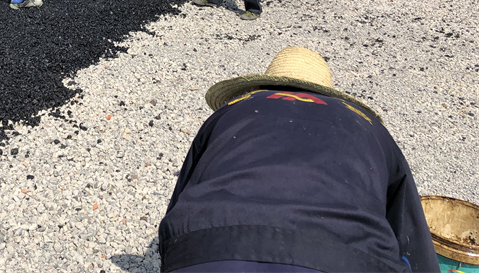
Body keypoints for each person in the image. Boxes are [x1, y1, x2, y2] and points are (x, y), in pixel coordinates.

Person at [159, 46, 440, 273]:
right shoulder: (368, 126)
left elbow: (183, 195)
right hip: (347, 255)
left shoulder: (232, 110)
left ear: (261, 87)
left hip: (207, 247)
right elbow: (408, 231)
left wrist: (178, 251)